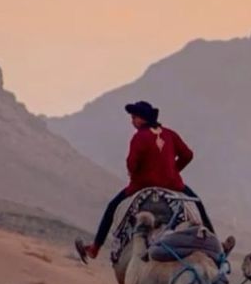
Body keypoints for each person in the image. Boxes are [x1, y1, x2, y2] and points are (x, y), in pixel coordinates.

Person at [75, 100, 213, 262]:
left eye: (134, 117)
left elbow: (132, 164)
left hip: (143, 185)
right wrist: (173, 171)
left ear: (143, 118)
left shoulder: (139, 137)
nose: (132, 120)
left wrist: (136, 173)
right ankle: (215, 242)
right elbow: (188, 155)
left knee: (112, 207)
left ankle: (95, 248)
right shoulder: (169, 134)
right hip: (173, 184)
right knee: (198, 204)